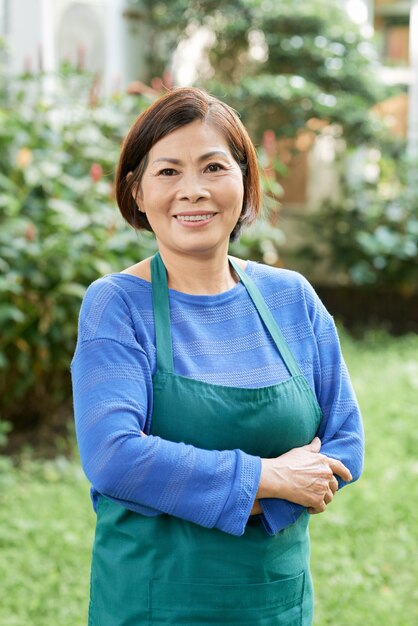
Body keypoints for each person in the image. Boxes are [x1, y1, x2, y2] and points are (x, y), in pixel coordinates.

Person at [70, 87, 364, 625]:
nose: (193, 191)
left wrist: (189, 493)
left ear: (245, 182)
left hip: (274, 602)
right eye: (167, 172)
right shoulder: (116, 305)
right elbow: (115, 458)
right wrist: (270, 480)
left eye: (213, 167)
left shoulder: (291, 297)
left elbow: (345, 443)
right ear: (136, 192)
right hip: (153, 604)